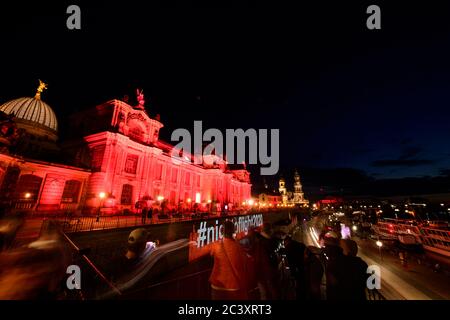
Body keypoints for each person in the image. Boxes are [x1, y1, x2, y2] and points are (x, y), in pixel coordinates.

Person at [209, 220, 249, 300]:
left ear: (221, 231)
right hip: (234, 285)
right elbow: (244, 263)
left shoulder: (216, 245)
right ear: (234, 230)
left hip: (217, 285)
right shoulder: (239, 247)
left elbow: (212, 254)